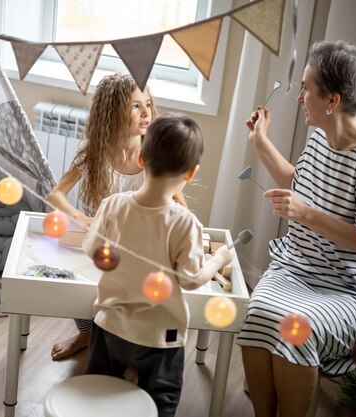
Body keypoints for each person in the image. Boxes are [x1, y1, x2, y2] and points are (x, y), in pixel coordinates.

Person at [236, 40, 356, 417]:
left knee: (295, 330)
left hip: (354, 291)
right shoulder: (319, 138)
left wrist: (307, 214)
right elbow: (300, 184)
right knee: (258, 312)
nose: (300, 98)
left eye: (307, 88)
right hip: (298, 269)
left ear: (332, 100)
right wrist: (259, 141)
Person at [82, 113, 234, 417]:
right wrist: (218, 259)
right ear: (191, 173)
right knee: (160, 402)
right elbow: (191, 280)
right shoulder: (185, 222)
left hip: (109, 326)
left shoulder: (113, 205)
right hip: (159, 337)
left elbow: (92, 251)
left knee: (98, 394)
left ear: (141, 158)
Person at [48, 73, 186, 360]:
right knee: (79, 287)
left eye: (148, 103)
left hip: (143, 245)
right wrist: (82, 219)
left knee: (137, 297)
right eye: (136, 106)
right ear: (112, 112)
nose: (147, 112)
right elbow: (56, 194)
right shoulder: (93, 151)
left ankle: (131, 348)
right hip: (103, 241)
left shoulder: (156, 154)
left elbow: (181, 208)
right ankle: (86, 333)